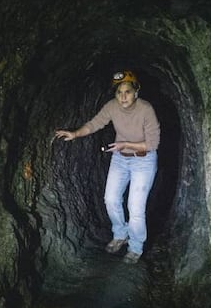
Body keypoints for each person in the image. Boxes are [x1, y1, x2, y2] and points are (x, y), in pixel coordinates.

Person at [55, 70, 160, 264]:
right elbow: (95, 123)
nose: (123, 97)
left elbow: (152, 143)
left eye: (127, 91)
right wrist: (76, 134)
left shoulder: (146, 109)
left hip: (143, 160)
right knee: (110, 199)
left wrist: (126, 145)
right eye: (119, 92)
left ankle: (136, 247)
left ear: (136, 92)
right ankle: (120, 234)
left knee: (135, 207)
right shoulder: (112, 107)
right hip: (120, 158)